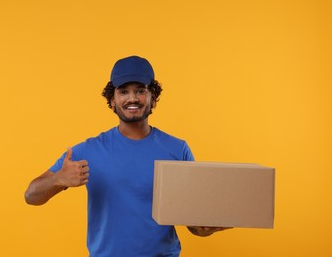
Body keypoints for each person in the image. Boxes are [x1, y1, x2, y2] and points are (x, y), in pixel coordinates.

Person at [24, 55, 230, 256]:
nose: (132, 98)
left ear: (153, 98)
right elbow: (31, 196)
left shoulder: (178, 149)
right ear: (112, 100)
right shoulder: (87, 151)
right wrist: (58, 179)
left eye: (140, 91)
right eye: (123, 92)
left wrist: (205, 227)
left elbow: (192, 220)